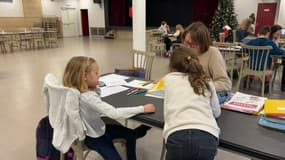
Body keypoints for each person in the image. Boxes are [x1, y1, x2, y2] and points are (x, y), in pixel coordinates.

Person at [62, 56, 156, 160]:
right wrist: (143, 108)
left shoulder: (76, 91)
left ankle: (138, 133)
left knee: (130, 134)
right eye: (96, 73)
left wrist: (95, 88)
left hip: (98, 129)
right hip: (94, 137)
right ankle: (140, 131)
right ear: (85, 76)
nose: (99, 76)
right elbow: (114, 113)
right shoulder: (88, 97)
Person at [164, 47, 221, 160]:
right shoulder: (207, 81)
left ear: (172, 67)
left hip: (177, 135)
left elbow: (167, 111)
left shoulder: (169, 80)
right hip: (207, 136)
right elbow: (216, 112)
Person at [182, 22, 232, 104]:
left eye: (193, 45)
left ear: (203, 43)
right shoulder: (184, 52)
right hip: (190, 93)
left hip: (205, 95)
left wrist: (201, 86)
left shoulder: (213, 53)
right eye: (186, 42)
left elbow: (225, 84)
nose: (188, 48)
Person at [247, 26, 285, 91]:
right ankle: (265, 85)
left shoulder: (251, 42)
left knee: (255, 61)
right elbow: (278, 52)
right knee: (268, 64)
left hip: (251, 66)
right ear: (268, 34)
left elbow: (242, 50)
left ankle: (248, 81)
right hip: (264, 67)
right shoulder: (270, 43)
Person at [270, 25, 285, 91]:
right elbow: (276, 51)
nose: (279, 35)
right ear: (272, 32)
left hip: (275, 58)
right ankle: (283, 86)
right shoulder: (271, 41)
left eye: (279, 34)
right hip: (272, 60)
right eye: (277, 33)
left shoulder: (275, 40)